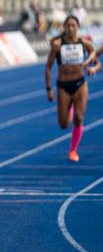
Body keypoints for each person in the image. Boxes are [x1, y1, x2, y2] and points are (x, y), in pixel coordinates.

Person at [45, 15, 96, 162]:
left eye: (74, 26)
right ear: (64, 28)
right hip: (63, 86)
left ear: (78, 27)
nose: (71, 28)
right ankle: (70, 107)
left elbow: (96, 61)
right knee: (63, 124)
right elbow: (48, 68)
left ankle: (73, 150)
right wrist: (48, 89)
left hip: (80, 84)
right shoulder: (57, 45)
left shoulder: (85, 43)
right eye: (68, 26)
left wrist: (92, 67)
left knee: (79, 119)